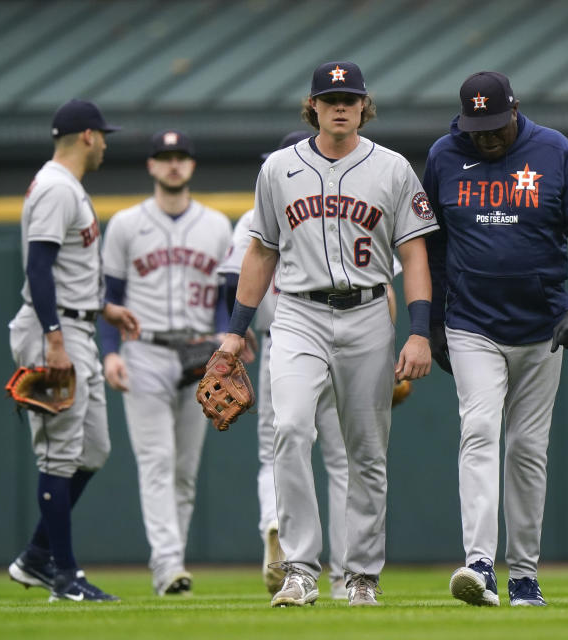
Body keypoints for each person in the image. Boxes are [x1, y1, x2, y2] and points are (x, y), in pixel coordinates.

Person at [215, 61, 438, 608]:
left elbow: (413, 253)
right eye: (330, 97)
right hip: (298, 314)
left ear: (365, 105)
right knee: (289, 430)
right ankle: (298, 568)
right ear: (311, 106)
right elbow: (261, 250)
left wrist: (419, 332)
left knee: (366, 452)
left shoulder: (392, 168)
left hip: (367, 314)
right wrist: (235, 333)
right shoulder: (277, 168)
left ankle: (361, 574)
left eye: (350, 97)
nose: (340, 105)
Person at [423, 72, 568, 607]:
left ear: (516, 111)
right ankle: (480, 565)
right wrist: (432, 321)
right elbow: (429, 244)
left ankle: (525, 576)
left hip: (541, 330)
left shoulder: (553, 150)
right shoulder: (442, 156)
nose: (487, 138)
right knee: (478, 429)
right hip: (472, 323)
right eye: (476, 128)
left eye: (496, 127)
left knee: (527, 449)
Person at [7, 98, 139, 602]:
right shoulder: (57, 189)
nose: (105, 142)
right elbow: (38, 269)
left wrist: (102, 309)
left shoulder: (67, 188)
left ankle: (38, 555)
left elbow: (63, 270)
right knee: (60, 454)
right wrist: (55, 340)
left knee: (94, 448)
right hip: (54, 333)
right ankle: (64, 575)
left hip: (76, 325)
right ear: (87, 136)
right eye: (103, 134)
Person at [99, 130, 234, 596]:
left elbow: (223, 296)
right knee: (157, 461)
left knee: (185, 469)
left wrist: (224, 336)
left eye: (180, 157)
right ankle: (169, 564)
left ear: (191, 166)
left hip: (201, 354)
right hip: (146, 350)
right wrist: (110, 352)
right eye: (164, 157)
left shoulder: (217, 225)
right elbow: (109, 299)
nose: (173, 164)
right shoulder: (124, 224)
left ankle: (169, 562)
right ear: (151, 166)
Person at [219, 129, 350, 600]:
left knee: (279, 449)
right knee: (343, 460)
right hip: (346, 339)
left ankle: (278, 528)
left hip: (282, 344)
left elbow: (232, 281)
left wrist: (235, 331)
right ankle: (346, 573)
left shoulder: (255, 216)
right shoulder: (340, 205)